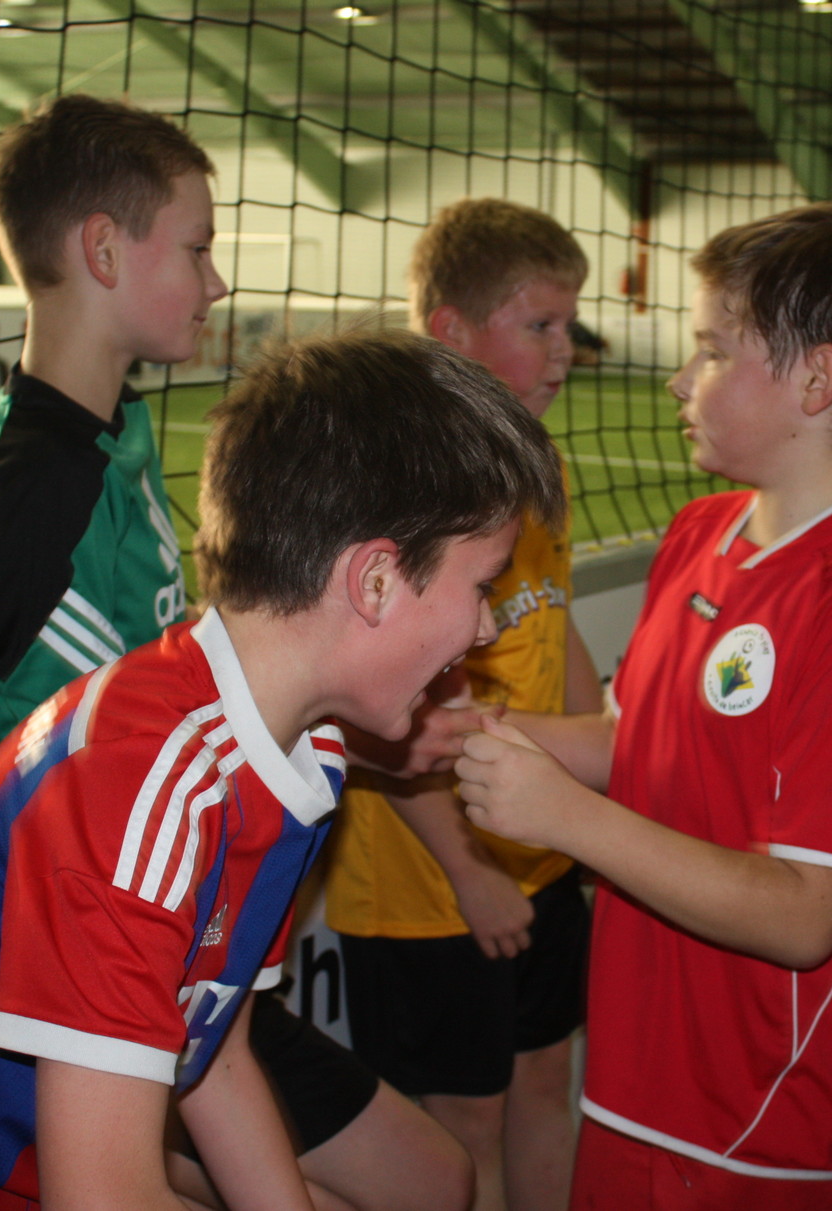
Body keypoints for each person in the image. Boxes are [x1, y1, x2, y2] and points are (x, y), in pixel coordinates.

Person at [0, 326, 568, 1210]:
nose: (486, 628)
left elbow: (212, 1052)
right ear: (376, 580)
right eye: (482, 585)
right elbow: (106, 1198)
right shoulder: (142, 785)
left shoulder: (299, 751)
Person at [0, 95, 471, 1211]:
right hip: (90, 953)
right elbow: (85, 776)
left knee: (431, 1178)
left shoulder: (104, 437)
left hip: (176, 933)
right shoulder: (41, 497)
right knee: (425, 1181)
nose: (217, 281)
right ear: (102, 250)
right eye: (196, 247)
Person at [453, 202, 832, 1210]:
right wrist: (457, 731)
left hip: (772, 1119)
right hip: (637, 1077)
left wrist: (564, 819)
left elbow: (805, 912)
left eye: (714, 351)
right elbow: (636, 741)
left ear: (817, 380)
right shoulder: (699, 533)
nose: (681, 380)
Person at [323, 197, 601, 1211]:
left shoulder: (536, 460)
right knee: (460, 1124)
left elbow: (553, 619)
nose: (564, 348)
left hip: (539, 848)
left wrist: (601, 790)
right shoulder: (400, 486)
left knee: (545, 1078)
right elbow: (382, 710)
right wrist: (469, 868)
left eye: (568, 323)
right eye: (539, 324)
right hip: (428, 885)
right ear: (451, 331)